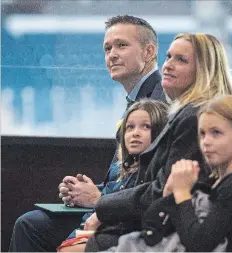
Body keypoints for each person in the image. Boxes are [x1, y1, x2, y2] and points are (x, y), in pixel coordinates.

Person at [9, 15, 166, 252]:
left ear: (149, 52)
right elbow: (127, 176)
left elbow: (147, 183)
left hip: (131, 220)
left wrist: (99, 199)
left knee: (30, 227)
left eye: (122, 45)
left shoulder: (160, 102)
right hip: (113, 206)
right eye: (107, 48)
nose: (112, 54)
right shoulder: (138, 98)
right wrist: (88, 192)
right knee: (31, 223)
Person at [85, 33, 232, 251]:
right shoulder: (189, 113)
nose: (167, 66)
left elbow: (163, 189)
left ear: (204, 71)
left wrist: (103, 206)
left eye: (181, 60)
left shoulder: (194, 118)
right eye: (168, 57)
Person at [108, 95, 232, 252]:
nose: (206, 142)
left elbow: (199, 244)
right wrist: (169, 195)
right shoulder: (217, 179)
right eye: (202, 134)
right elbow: (152, 229)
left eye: (216, 133)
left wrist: (182, 193)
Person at [57, 99, 169, 252]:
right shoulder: (126, 171)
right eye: (130, 127)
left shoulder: (155, 174)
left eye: (146, 126)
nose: (135, 133)